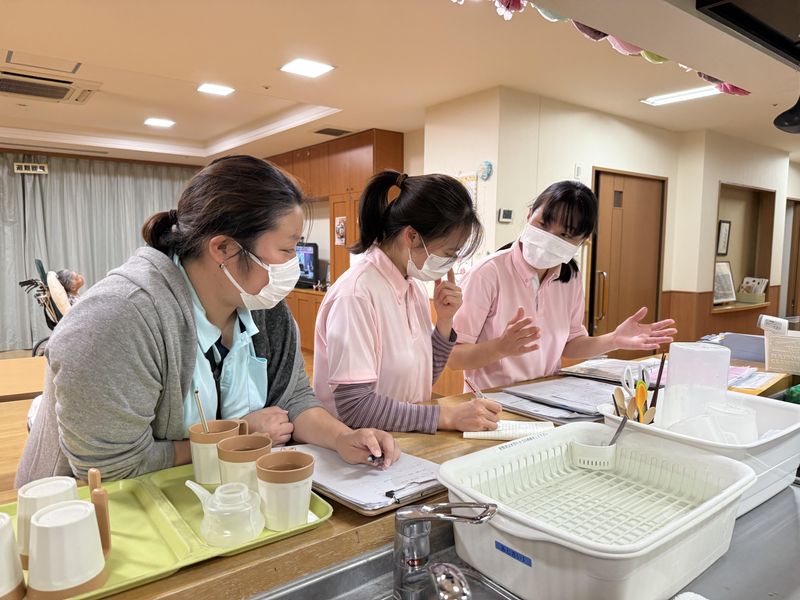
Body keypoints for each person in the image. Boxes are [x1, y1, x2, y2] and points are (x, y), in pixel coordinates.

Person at [16, 156, 399, 486]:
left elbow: (293, 398)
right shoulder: (121, 317)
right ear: (223, 248)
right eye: (285, 249)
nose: (292, 265)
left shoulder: (267, 310)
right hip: (87, 520)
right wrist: (237, 436)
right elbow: (111, 467)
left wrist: (342, 437)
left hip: (210, 497)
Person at [314, 170, 502, 434]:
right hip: (356, 451)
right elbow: (355, 406)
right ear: (412, 236)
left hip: (400, 441)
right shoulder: (357, 294)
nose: (451, 261)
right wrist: (442, 416)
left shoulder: (412, 287)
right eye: (449, 252)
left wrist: (445, 321)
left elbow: (423, 378)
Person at [448, 180, 676, 389]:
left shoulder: (570, 277)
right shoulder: (488, 273)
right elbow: (454, 357)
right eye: (543, 224)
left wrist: (613, 339)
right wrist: (501, 347)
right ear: (529, 215)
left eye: (565, 235)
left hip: (545, 396)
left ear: (583, 241)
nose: (549, 237)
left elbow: (571, 344)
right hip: (492, 402)